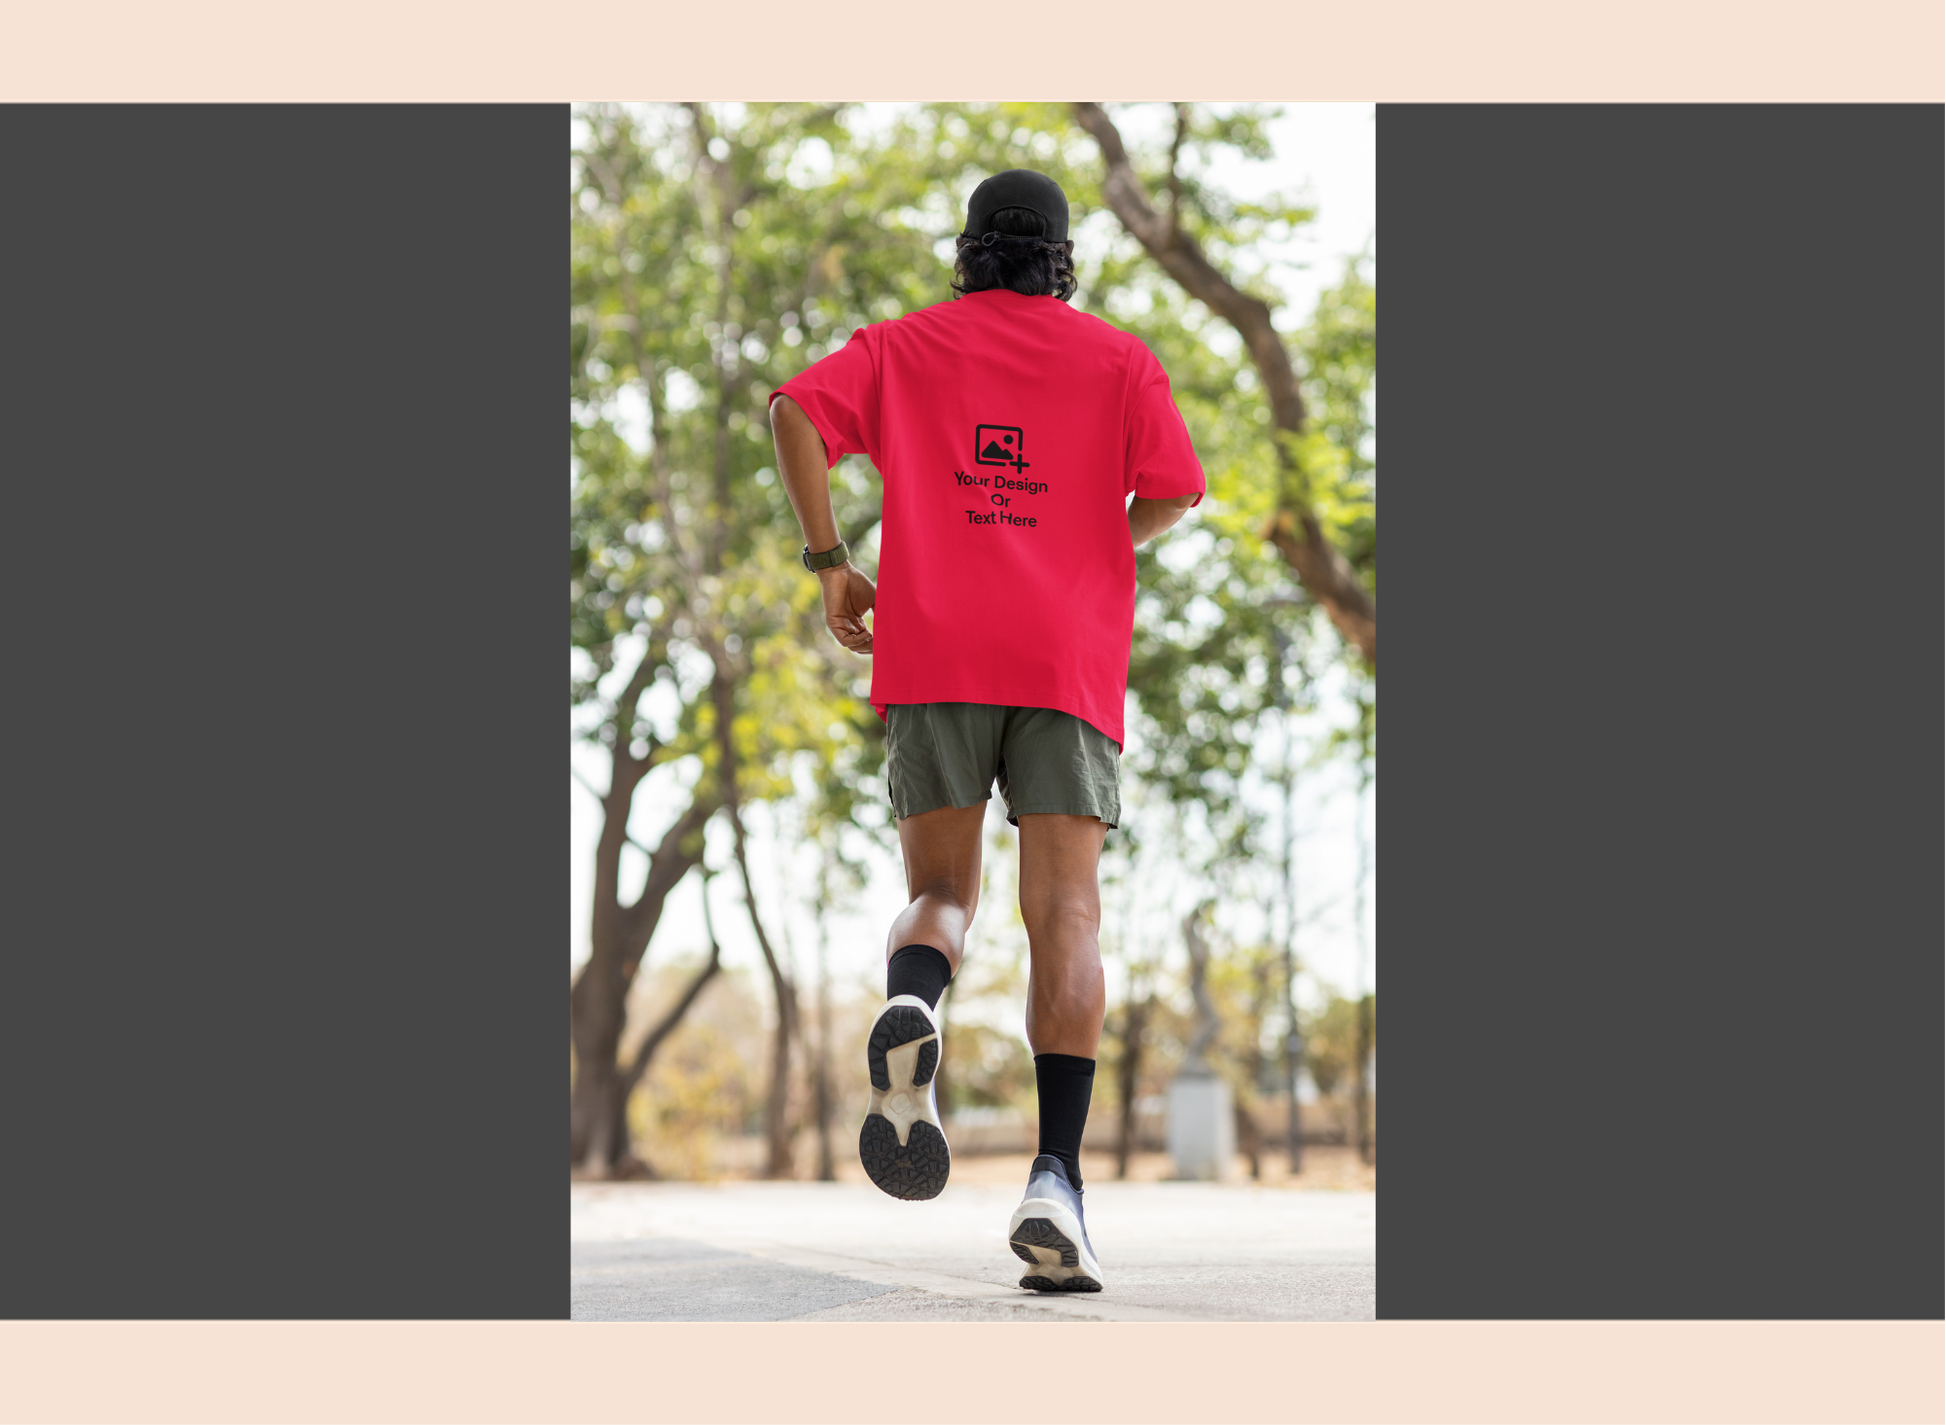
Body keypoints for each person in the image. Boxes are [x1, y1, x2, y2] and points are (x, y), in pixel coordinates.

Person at [768, 169, 1204, 1294]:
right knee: (1064, 910)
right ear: (1062, 258)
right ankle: (1054, 1179)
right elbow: (1174, 490)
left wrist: (831, 567)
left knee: (941, 897)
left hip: (934, 648)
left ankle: (917, 995)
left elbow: (792, 413)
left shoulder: (901, 345)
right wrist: (1098, 535)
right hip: (1064, 659)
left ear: (966, 249)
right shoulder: (1118, 360)